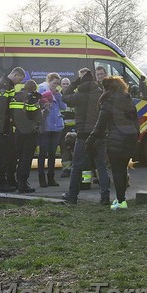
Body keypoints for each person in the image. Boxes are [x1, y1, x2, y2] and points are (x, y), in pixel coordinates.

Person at [86, 76, 139, 210]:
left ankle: (121, 201)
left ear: (107, 87)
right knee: (123, 169)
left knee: (117, 171)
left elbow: (100, 125)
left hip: (115, 139)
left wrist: (90, 139)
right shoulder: (128, 99)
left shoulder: (107, 101)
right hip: (130, 138)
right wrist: (135, 136)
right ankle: (122, 199)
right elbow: (135, 121)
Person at [61, 69, 110, 205]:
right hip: (99, 135)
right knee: (101, 167)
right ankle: (105, 197)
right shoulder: (100, 93)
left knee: (77, 166)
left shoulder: (78, 95)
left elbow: (65, 96)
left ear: (81, 83)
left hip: (83, 136)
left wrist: (73, 83)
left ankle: (72, 196)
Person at [0, 67, 26, 192]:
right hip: (3, 127)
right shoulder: (3, 85)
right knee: (3, 155)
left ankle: (10, 180)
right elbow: (0, 109)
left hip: (7, 126)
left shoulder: (8, 85)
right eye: (19, 79)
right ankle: (1, 183)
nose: (19, 82)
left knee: (11, 154)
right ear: (16, 75)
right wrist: (5, 125)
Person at [11, 80, 42, 193]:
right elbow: (38, 117)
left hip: (18, 132)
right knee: (26, 159)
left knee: (20, 159)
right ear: (34, 89)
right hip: (30, 133)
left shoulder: (15, 97)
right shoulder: (33, 100)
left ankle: (18, 181)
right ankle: (23, 184)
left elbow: (11, 114)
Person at [37, 72, 66, 187]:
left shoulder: (56, 92)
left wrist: (58, 95)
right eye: (54, 83)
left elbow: (63, 106)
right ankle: (41, 179)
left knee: (52, 154)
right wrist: (47, 96)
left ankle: (51, 178)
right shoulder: (41, 89)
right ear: (48, 81)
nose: (56, 85)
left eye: (58, 83)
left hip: (56, 127)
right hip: (45, 126)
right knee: (42, 153)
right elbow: (37, 104)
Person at [59, 77, 75, 178]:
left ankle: (76, 168)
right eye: (63, 84)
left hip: (74, 126)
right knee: (64, 148)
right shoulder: (57, 96)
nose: (65, 86)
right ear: (60, 85)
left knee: (76, 149)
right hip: (62, 128)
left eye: (67, 84)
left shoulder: (74, 96)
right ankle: (66, 169)